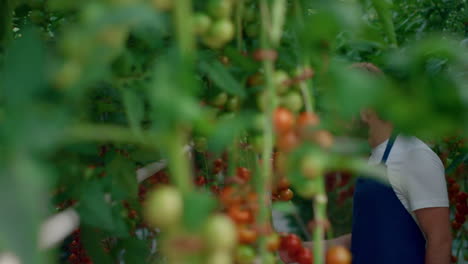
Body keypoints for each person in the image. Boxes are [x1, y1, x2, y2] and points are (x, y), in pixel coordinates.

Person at [283, 63, 452, 264]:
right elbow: (365, 241)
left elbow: (440, 241)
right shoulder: (375, 161)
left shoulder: (414, 155)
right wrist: (296, 249)